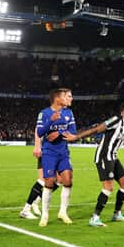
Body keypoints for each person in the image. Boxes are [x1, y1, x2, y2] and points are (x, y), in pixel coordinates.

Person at [63, 101, 124, 226]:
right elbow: (96, 129)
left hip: (113, 157)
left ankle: (117, 214)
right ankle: (94, 218)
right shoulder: (116, 120)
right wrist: (75, 137)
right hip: (104, 156)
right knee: (108, 187)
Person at [35, 88, 76, 227]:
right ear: (57, 98)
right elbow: (40, 132)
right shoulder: (44, 113)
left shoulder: (68, 113)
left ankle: (63, 212)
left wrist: (58, 133)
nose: (68, 98)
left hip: (63, 152)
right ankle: (44, 214)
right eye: (65, 96)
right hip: (49, 153)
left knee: (68, 179)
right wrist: (50, 122)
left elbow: (73, 133)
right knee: (49, 182)